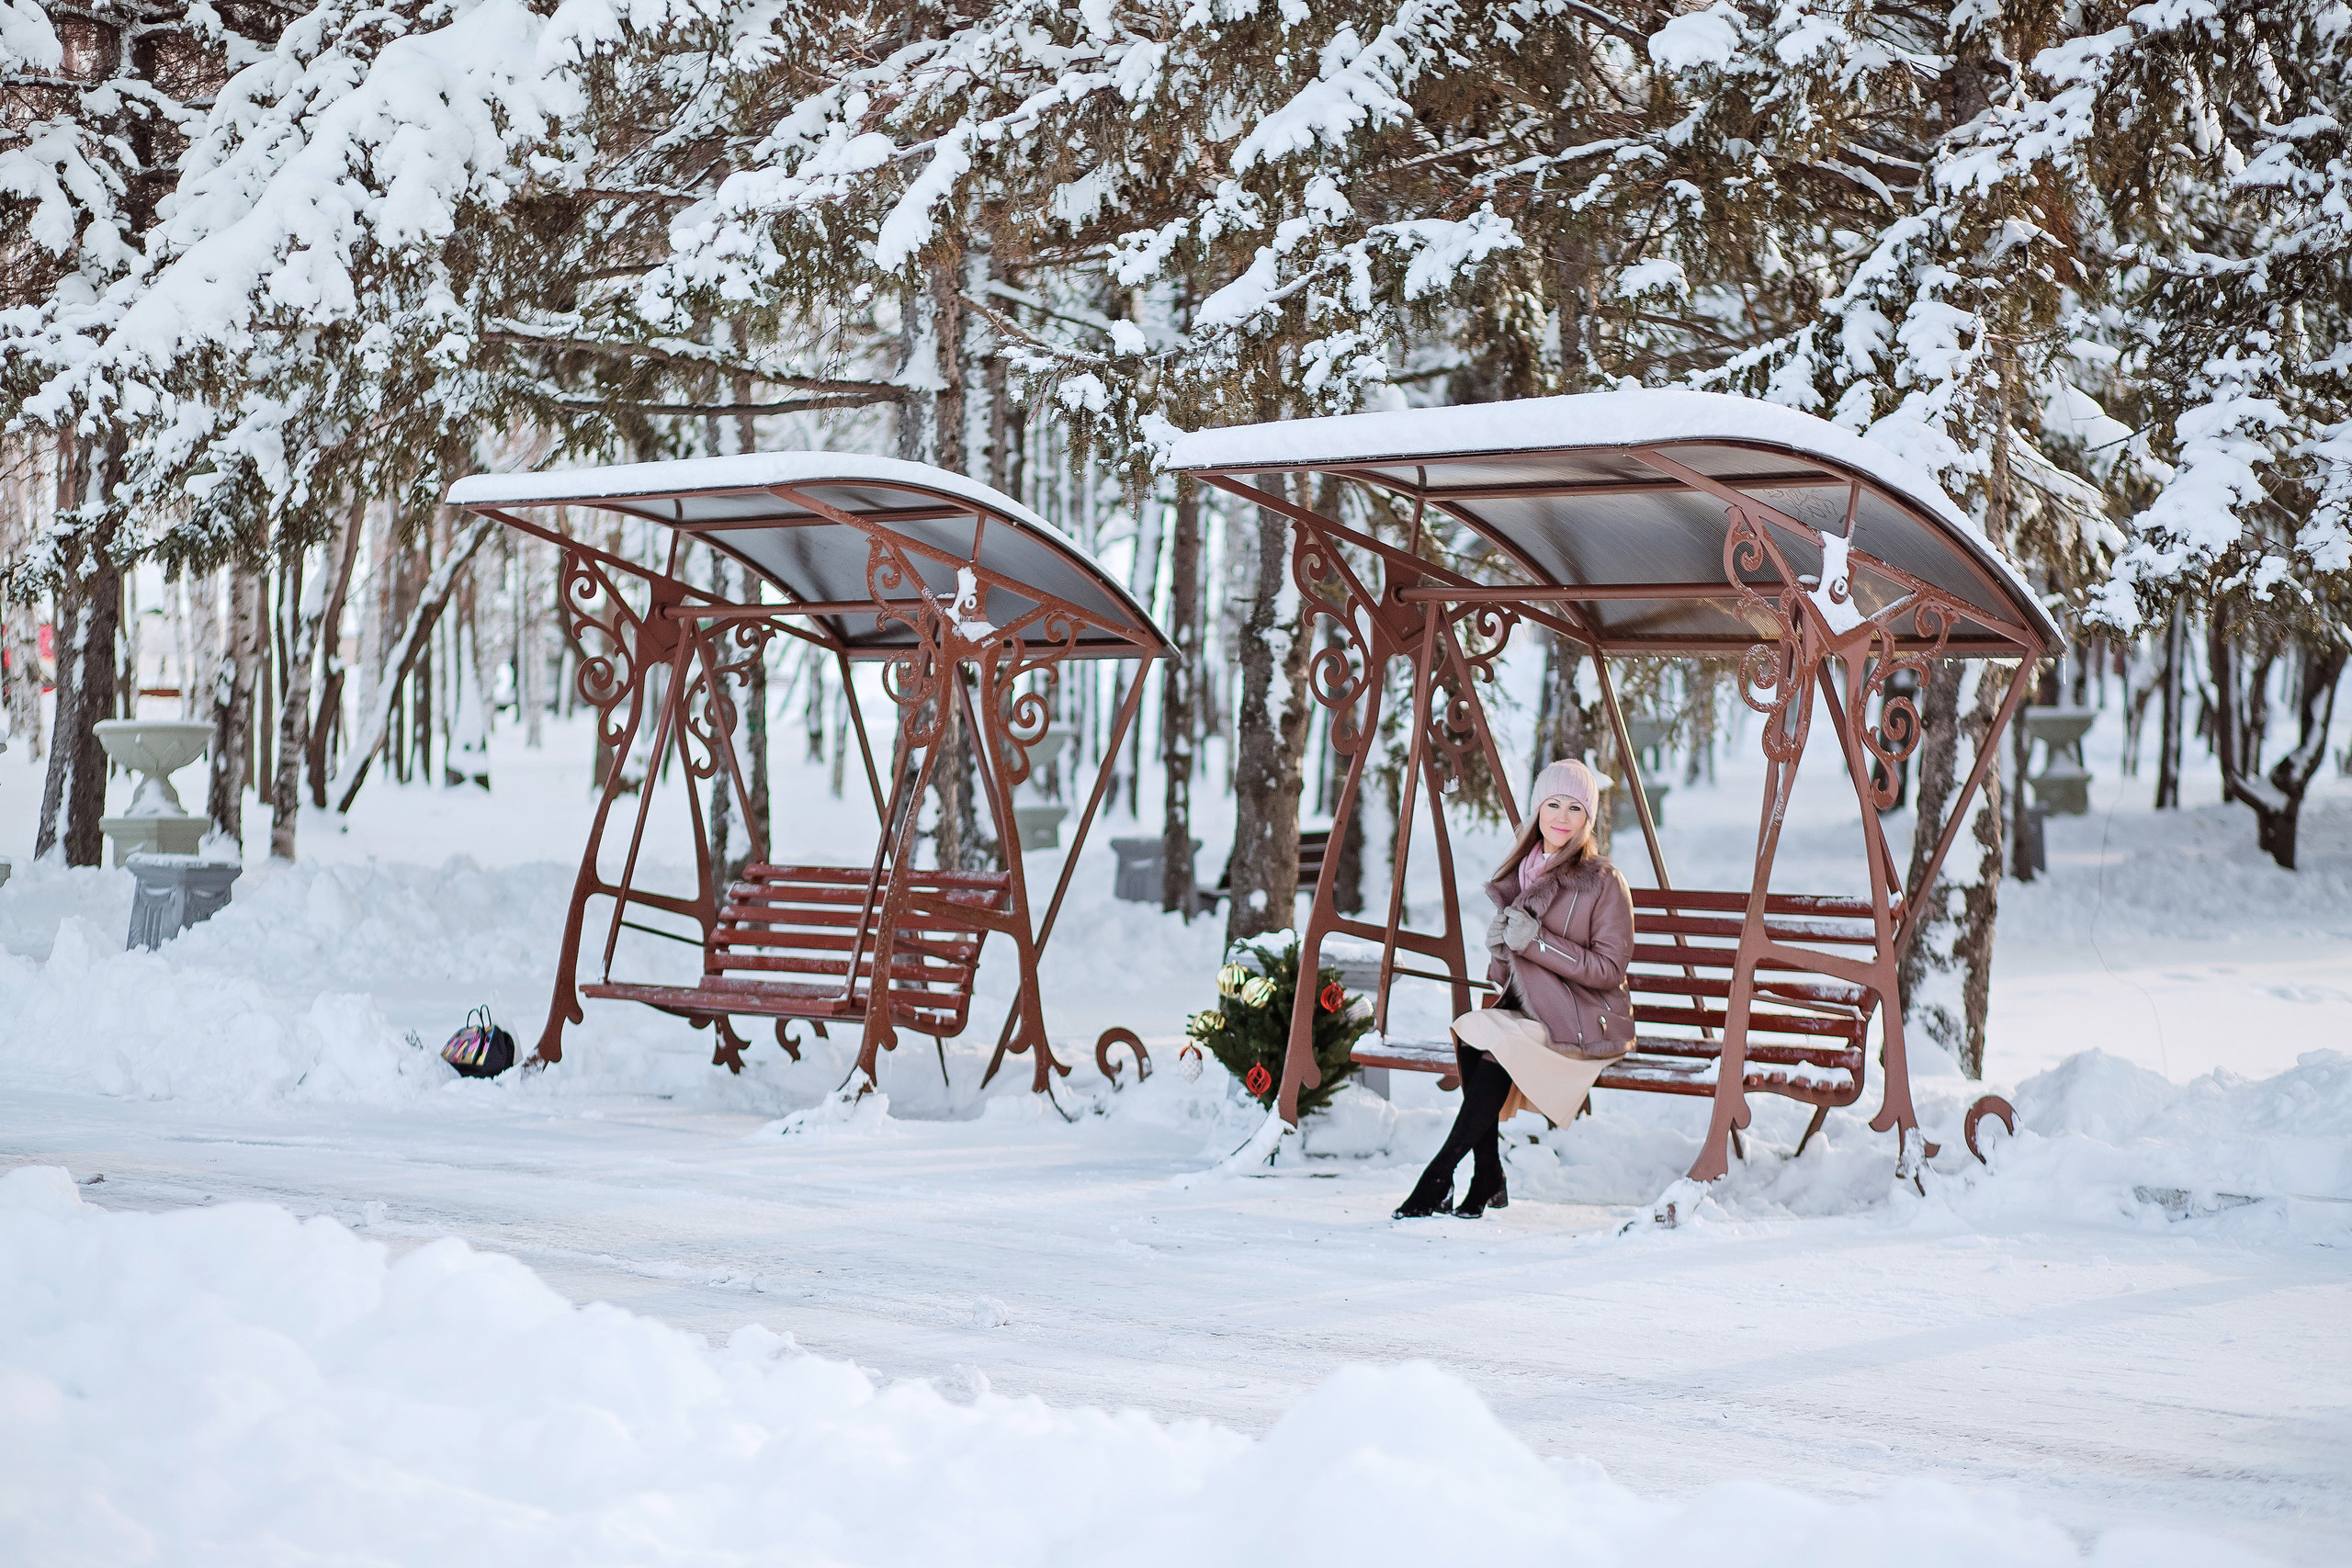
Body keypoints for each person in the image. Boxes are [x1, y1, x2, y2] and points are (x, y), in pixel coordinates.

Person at [1393, 758, 1635, 1219]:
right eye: (1553, 804)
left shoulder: (1603, 881)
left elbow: (1609, 969)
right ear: (1538, 809)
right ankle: (1488, 1176)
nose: (1562, 817)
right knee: (1472, 1031)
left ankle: (1439, 1175)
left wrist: (1537, 943)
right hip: (1534, 1016)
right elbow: (1510, 979)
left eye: (1575, 808)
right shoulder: (1522, 874)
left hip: (1585, 1018)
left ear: (1588, 819)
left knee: (1500, 1044)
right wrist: (1501, 951)